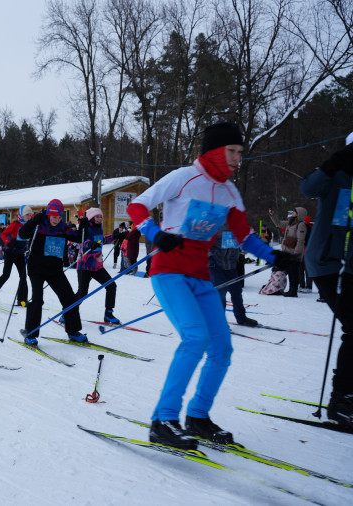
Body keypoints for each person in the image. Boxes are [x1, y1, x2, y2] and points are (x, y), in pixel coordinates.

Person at [127, 122, 299, 450]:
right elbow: (137, 206)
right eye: (232, 151)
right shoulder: (183, 177)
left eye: (240, 153)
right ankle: (163, 419)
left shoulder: (229, 192)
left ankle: (198, 417)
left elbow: (245, 235)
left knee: (221, 349)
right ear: (214, 151)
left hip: (201, 277)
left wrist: (274, 256)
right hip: (169, 272)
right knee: (195, 338)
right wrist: (155, 234)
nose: (237, 158)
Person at [299, 136, 353, 428]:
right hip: (328, 263)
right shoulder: (338, 175)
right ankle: (341, 400)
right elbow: (307, 188)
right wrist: (332, 165)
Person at [18, 199, 87, 345]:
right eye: (54, 217)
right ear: (48, 214)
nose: (56, 220)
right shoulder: (39, 224)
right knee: (37, 299)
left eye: (59, 217)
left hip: (55, 269)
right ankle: (30, 333)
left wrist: (83, 226)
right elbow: (22, 234)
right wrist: (33, 221)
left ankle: (73, 330)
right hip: (36, 268)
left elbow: (78, 238)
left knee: (69, 297)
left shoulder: (62, 228)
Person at [75, 207, 121, 324]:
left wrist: (115, 236)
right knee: (82, 293)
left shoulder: (99, 229)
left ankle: (108, 314)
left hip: (97, 266)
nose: (100, 219)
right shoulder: (86, 228)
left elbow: (102, 240)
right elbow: (83, 242)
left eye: (101, 216)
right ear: (91, 218)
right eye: (97, 217)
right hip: (85, 266)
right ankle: (68, 313)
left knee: (111, 286)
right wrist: (90, 243)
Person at [208, 227, 258, 327]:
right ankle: (219, 322)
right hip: (216, 265)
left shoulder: (238, 226)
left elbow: (248, 242)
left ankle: (241, 318)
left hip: (231, 266)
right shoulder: (217, 225)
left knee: (237, 291)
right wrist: (210, 257)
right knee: (221, 292)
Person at [0, 205, 32, 306]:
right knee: (6, 275)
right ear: (21, 215)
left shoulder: (29, 225)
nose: (29, 217)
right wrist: (8, 243)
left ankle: (22, 299)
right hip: (10, 252)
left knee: (23, 276)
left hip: (20, 254)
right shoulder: (15, 224)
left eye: (30, 215)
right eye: (27, 215)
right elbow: (3, 234)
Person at [269, 206, 308, 297]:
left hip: (294, 253)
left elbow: (300, 240)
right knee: (280, 269)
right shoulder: (290, 222)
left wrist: (296, 254)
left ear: (299, 214)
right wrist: (273, 215)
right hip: (286, 252)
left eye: (295, 212)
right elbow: (278, 223)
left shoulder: (301, 225)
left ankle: (293, 291)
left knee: (293, 272)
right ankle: (277, 287)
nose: (293, 213)